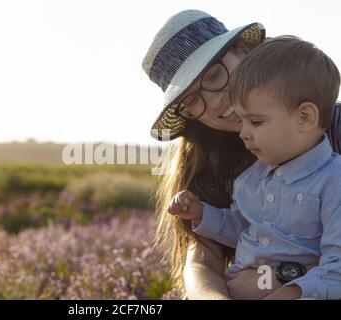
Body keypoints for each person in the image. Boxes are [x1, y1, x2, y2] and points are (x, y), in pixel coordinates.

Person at [141, 9, 341, 299]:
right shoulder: (216, 163)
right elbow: (202, 258)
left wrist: (282, 278)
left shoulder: (331, 129)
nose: (216, 100)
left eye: (214, 74)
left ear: (243, 51)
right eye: (194, 100)